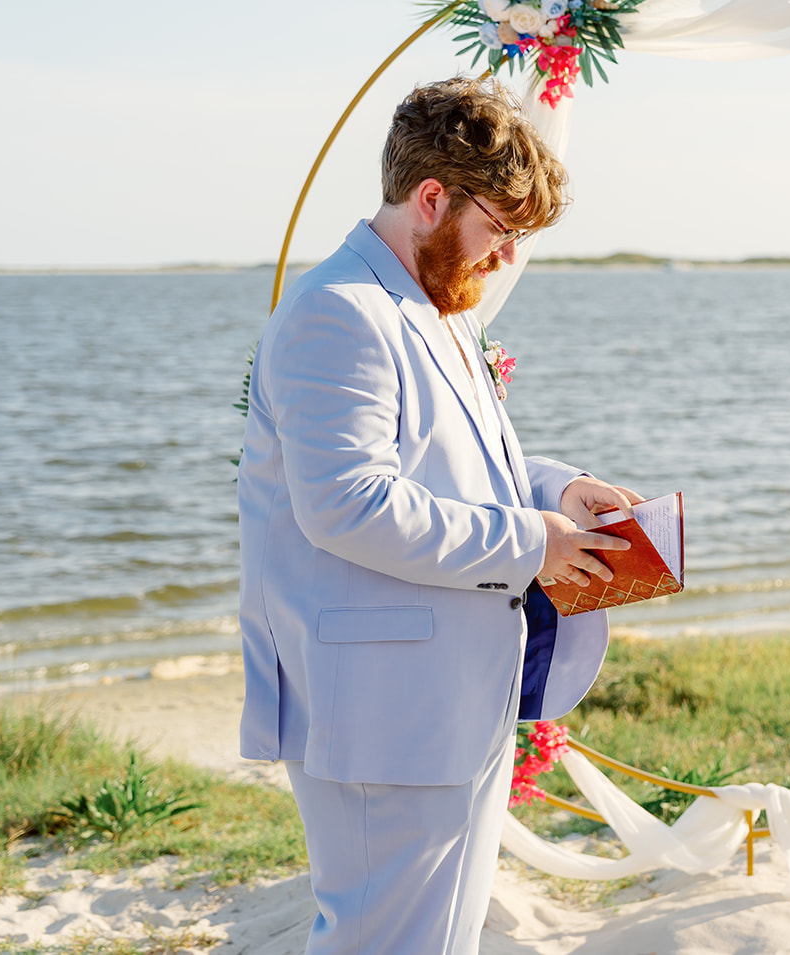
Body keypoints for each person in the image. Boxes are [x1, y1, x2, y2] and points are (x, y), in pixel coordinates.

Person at [236, 76, 640, 954]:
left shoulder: (433, 305)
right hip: (381, 709)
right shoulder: (338, 315)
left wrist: (558, 490)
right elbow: (349, 504)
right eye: (498, 229)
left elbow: (454, 463)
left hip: (449, 694)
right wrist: (536, 544)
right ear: (431, 197)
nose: (501, 259)